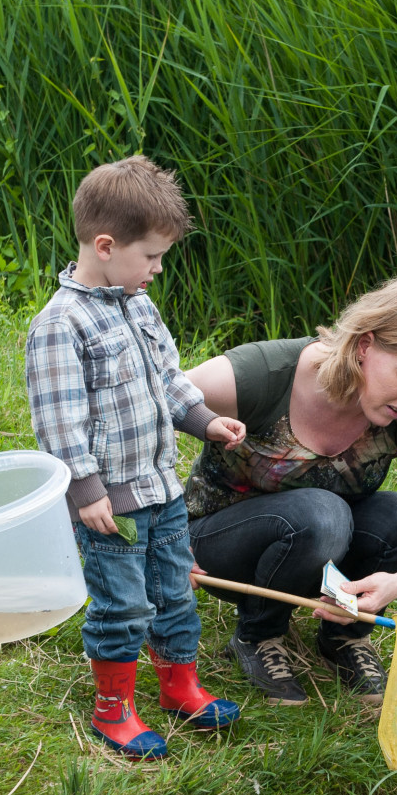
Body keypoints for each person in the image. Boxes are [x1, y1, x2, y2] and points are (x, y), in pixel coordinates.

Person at [183, 273, 397, 705]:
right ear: (364, 345)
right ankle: (257, 636)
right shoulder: (264, 374)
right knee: (324, 514)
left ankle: (345, 635)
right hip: (217, 548)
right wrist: (160, 538)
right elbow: (141, 407)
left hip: (322, 544)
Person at [26, 156, 247, 759]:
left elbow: (170, 383)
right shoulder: (60, 324)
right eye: (150, 257)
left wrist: (206, 421)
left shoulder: (139, 307)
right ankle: (113, 709)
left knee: (174, 591)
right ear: (104, 246)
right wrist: (86, 490)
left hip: (162, 488)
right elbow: (59, 422)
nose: (155, 269)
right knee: (124, 603)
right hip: (111, 503)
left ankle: (180, 686)